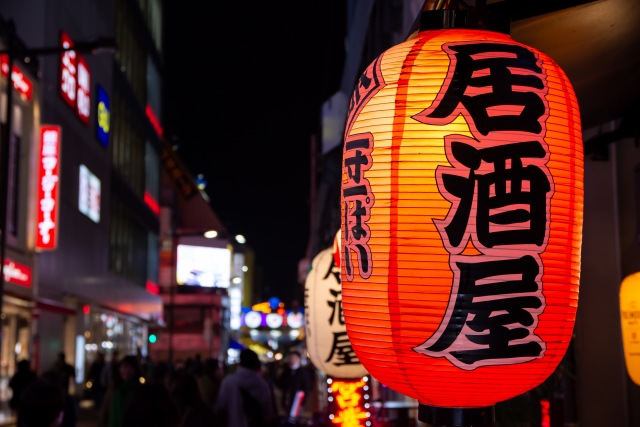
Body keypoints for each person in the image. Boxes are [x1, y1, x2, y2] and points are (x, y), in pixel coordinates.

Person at [215, 349, 273, 427]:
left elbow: (220, 406)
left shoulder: (228, 382)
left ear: (240, 362)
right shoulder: (262, 384)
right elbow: (268, 411)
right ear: (255, 363)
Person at [100, 355, 141, 427]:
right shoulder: (114, 388)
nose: (127, 371)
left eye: (131, 368)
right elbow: (105, 410)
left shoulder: (140, 390)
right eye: (124, 367)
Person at [278, 351, 310, 415]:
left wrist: (302, 400)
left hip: (298, 401)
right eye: (291, 358)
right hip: (286, 399)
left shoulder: (303, 372)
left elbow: (307, 387)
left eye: (294, 358)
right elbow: (280, 383)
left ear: (299, 359)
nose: (292, 359)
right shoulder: (286, 372)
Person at [9, 359, 37, 426]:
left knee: (21, 418)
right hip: (28, 401)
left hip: (20, 401)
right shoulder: (31, 375)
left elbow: (11, 384)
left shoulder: (18, 375)